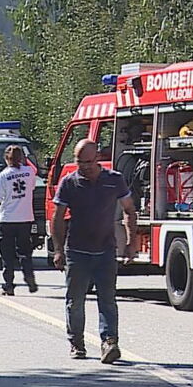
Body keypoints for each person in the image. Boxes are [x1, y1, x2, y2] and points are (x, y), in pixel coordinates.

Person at [51, 139, 137, 362]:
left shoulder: (114, 180)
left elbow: (129, 210)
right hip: (77, 251)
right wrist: (58, 249)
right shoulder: (69, 183)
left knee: (107, 299)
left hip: (105, 250)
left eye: (88, 162)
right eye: (80, 162)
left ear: (97, 158)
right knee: (75, 300)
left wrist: (131, 242)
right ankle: (76, 343)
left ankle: (109, 342)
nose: (85, 167)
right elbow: (57, 216)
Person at [0, 145, 38, 296]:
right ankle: (29, 276)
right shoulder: (29, 172)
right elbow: (31, 188)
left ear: (6, 159)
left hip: (7, 219)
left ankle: (8, 284)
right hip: (26, 218)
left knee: (7, 254)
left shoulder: (3, 176)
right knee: (25, 251)